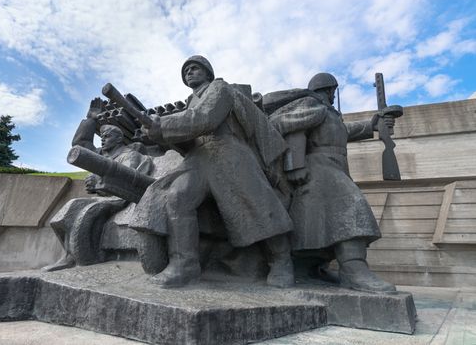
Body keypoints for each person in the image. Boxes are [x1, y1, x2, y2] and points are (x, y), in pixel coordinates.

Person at [127, 55, 294, 288]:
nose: (189, 73)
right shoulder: (190, 102)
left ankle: (280, 261)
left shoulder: (219, 88)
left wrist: (163, 124)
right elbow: (188, 138)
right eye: (186, 71)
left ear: (208, 72)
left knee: (258, 206)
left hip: (229, 151)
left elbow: (205, 118)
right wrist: (158, 133)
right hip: (199, 157)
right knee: (177, 197)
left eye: (195, 68)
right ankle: (184, 265)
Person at [269, 72, 396, 293]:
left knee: (317, 223)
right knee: (352, 205)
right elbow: (293, 127)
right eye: (332, 91)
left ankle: (313, 268)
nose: (333, 95)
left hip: (335, 167)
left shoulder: (331, 115)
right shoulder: (310, 104)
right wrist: (295, 164)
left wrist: (372, 125)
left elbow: (344, 132)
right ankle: (354, 269)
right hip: (318, 167)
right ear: (329, 90)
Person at [43, 106, 153, 272]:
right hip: (105, 195)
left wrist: (99, 183)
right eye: (101, 137)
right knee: (64, 215)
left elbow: (126, 180)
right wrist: (90, 120)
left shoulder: (129, 155)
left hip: (121, 197)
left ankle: (84, 257)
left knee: (88, 210)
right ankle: (68, 256)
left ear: (118, 139)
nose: (102, 140)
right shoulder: (103, 154)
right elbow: (81, 146)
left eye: (107, 137)